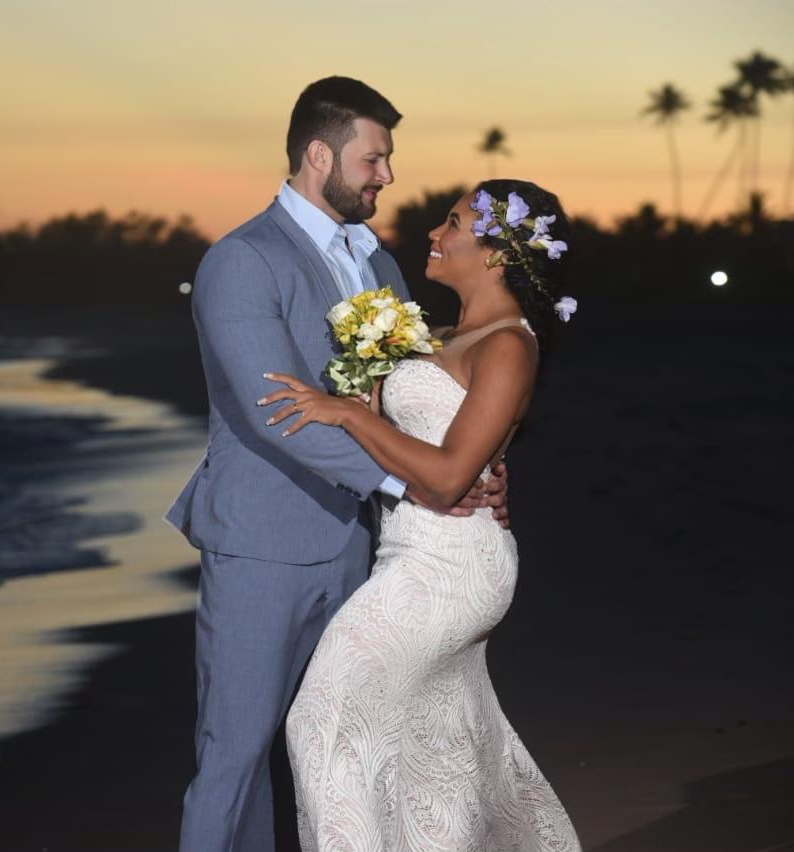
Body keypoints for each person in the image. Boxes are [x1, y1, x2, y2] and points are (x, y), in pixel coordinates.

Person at [165, 77, 510, 851]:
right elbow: (277, 414)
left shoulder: (379, 266)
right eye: (374, 158)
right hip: (265, 540)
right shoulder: (243, 260)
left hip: (373, 548)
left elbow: (414, 398)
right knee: (236, 754)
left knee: (342, 747)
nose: (386, 176)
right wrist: (415, 485)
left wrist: (473, 465)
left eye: (387, 160)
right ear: (319, 154)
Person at [263, 181, 581, 849]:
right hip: (407, 552)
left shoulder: (507, 348)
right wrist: (366, 397)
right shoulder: (439, 336)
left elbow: (444, 475)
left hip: (452, 568)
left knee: (319, 722)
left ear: (497, 254)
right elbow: (440, 446)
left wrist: (349, 411)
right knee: (432, 755)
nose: (434, 233)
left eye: (454, 222)